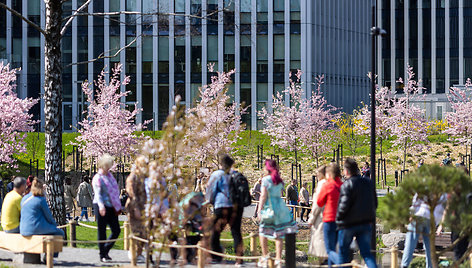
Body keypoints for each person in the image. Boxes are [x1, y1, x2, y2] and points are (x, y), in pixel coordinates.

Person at [336, 158, 377, 268]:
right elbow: (375, 203)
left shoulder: (347, 185)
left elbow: (343, 206)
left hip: (348, 224)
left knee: (343, 253)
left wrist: (338, 219)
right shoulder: (368, 183)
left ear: (347, 171)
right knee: (367, 254)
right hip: (365, 222)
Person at [257, 159, 297, 268]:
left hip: (269, 207)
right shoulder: (279, 180)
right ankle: (279, 259)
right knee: (279, 233)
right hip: (280, 207)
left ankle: (265, 256)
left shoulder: (265, 180)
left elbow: (263, 196)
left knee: (263, 230)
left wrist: (259, 210)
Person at [206, 154, 244, 265]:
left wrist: (210, 201)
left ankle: (215, 255)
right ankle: (239, 258)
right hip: (236, 206)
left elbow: (210, 190)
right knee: (236, 232)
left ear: (221, 163)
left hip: (221, 204)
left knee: (215, 230)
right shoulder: (237, 174)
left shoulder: (217, 174)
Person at [20, 178, 64, 260]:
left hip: (23, 229)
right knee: (60, 233)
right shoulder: (41, 200)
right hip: (35, 228)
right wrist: (54, 225)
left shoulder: (24, 198)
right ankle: (50, 257)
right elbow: (49, 217)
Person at [401, 193, 447, 268]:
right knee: (428, 246)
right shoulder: (442, 190)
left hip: (422, 216)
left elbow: (416, 199)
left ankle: (405, 265)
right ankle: (429, 266)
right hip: (428, 218)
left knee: (411, 243)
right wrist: (441, 225)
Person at [92, 154, 122, 263]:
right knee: (102, 230)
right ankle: (102, 254)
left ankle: (106, 249)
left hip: (111, 206)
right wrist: (101, 206)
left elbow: (115, 191)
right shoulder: (97, 178)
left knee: (116, 230)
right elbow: (98, 194)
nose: (108, 168)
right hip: (101, 205)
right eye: (107, 166)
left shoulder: (110, 177)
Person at [317, 163, 343, 265]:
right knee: (335, 247)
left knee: (330, 250)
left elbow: (319, 202)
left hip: (329, 219)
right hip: (340, 219)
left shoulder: (327, 185)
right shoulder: (342, 185)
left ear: (329, 173)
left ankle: (342, 264)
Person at [307, 166, 328, 260]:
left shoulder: (321, 184)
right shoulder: (330, 183)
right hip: (328, 216)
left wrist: (311, 219)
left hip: (321, 217)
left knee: (321, 246)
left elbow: (317, 203)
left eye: (317, 174)